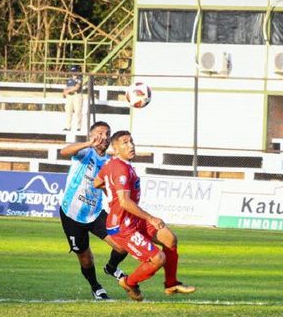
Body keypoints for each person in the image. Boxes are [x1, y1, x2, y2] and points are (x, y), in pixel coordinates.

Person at [94, 130, 195, 302]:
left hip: (132, 219)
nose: (131, 145)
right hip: (122, 226)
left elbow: (97, 182)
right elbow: (125, 202)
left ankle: (171, 284)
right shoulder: (121, 169)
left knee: (169, 239)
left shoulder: (115, 164)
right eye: (125, 143)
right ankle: (129, 282)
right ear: (115, 148)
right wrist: (150, 218)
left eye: (131, 141)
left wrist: (109, 193)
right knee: (158, 258)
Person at [59, 121, 128, 301]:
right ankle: (96, 287)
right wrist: (89, 143)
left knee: (123, 244)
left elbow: (109, 188)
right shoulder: (84, 152)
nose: (103, 137)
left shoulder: (110, 162)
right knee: (86, 258)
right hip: (71, 214)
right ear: (91, 136)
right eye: (99, 133)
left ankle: (111, 268)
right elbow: (64, 151)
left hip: (96, 213)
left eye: (107, 134)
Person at [62, 65, 83, 131]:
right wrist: (64, 92)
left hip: (77, 95)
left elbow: (76, 88)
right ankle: (68, 127)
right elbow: (67, 87)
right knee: (68, 111)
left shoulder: (79, 78)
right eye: (72, 71)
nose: (73, 73)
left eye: (74, 71)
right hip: (69, 96)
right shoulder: (70, 79)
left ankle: (78, 127)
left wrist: (68, 90)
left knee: (78, 111)